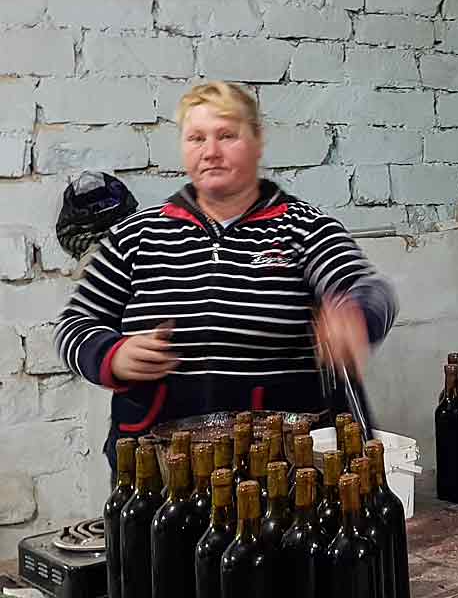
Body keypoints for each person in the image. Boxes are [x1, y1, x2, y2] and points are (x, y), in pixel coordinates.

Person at [54, 82, 398, 470]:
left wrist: (355, 315)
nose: (211, 152)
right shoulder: (136, 237)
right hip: (160, 470)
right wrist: (112, 356)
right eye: (196, 138)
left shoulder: (304, 229)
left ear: (257, 141)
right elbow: (74, 325)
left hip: (283, 468)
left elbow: (368, 289)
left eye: (227, 135)